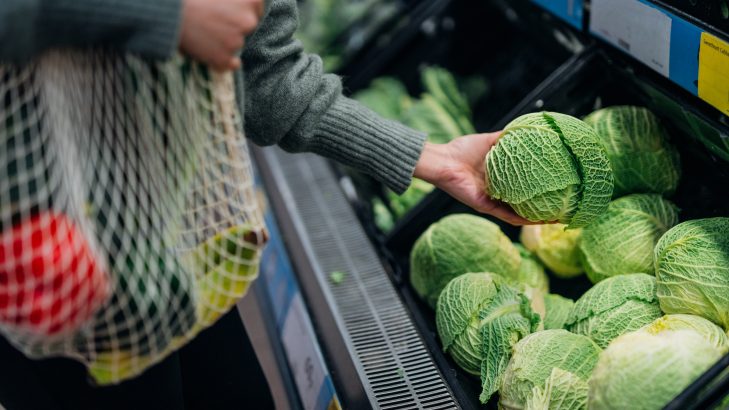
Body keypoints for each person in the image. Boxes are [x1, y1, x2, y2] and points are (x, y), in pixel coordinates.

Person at [0, 0, 531, 409]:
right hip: (39, 241)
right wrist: (161, 15)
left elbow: (267, 74)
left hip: (166, 235)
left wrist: (433, 158)